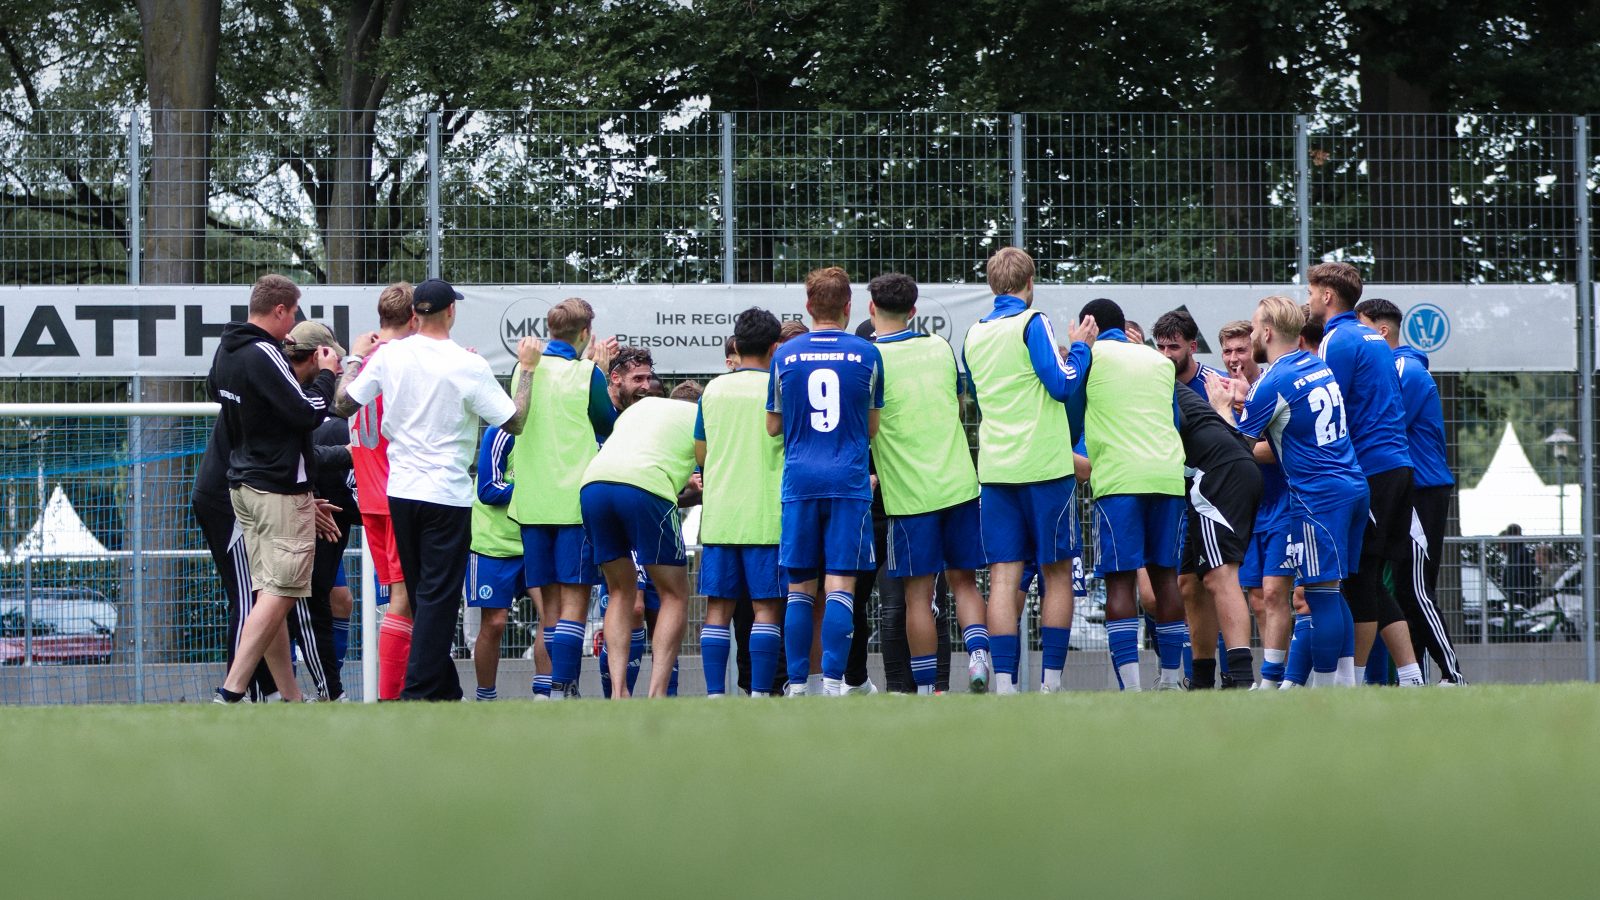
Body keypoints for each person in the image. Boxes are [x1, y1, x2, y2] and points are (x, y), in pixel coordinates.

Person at [336, 277, 540, 701]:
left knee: (422, 596)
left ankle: (445, 689)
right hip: (446, 493)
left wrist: (353, 358)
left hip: (400, 491)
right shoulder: (468, 364)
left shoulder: (389, 355)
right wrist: (528, 370)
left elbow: (344, 403)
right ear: (451, 311)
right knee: (437, 598)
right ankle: (418, 690)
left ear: (414, 314)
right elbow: (516, 420)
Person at [1208, 296, 1369, 688]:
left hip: (1318, 498)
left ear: (1266, 332)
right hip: (1353, 486)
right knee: (1334, 590)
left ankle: (1326, 690)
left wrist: (1222, 408)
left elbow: (1238, 449)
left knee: (1321, 596)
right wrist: (1247, 403)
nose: (1250, 333)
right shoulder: (1316, 364)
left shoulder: (1273, 381)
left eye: (1253, 327)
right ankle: (1346, 685)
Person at [963, 248, 1095, 694]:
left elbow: (978, 396)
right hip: (1044, 467)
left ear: (992, 284)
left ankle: (1004, 685)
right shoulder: (1033, 321)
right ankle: (1050, 684)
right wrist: (1082, 349)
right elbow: (1062, 384)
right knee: (1056, 573)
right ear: (1030, 282)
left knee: (1002, 577)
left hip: (996, 470)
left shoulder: (973, 333)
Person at [210, 275, 339, 703]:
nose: (293, 323)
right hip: (277, 491)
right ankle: (231, 691)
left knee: (270, 595)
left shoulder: (228, 348)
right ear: (280, 310)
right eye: (294, 313)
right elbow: (307, 412)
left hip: (245, 487)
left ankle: (291, 698)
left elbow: (215, 390)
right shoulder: (264, 351)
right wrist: (326, 376)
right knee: (280, 593)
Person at [867, 273, 987, 695]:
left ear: (871, 309)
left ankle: (924, 691)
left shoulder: (870, 358)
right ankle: (978, 654)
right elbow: (957, 402)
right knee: (965, 583)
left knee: (918, 599)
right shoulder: (939, 346)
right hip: (959, 486)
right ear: (914, 311)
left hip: (909, 497)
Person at [768, 267, 884, 696]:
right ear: (849, 307)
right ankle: (834, 684)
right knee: (840, 584)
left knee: (800, 589)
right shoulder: (868, 354)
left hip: (800, 482)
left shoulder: (784, 356)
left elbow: (772, 426)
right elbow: (872, 428)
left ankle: (798, 686)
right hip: (848, 482)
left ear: (808, 306)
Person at [1308, 262, 1425, 686]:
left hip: (1371, 470)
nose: (1308, 299)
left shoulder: (1336, 339)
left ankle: (1351, 682)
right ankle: (1410, 675)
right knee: (1372, 579)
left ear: (1327, 296)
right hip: (1398, 467)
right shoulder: (1373, 337)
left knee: (1357, 580)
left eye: (1311, 292)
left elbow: (1326, 406)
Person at [506, 298, 616, 699]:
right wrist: (599, 371)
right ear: (585, 334)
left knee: (550, 606)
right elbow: (607, 426)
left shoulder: (523, 368)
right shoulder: (588, 374)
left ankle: (550, 689)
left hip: (532, 504)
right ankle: (564, 686)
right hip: (573, 503)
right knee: (575, 600)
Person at [1076, 298, 1187, 691]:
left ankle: (1132, 689)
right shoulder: (1159, 361)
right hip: (1167, 478)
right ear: (1124, 326)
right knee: (1166, 578)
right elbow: (1174, 421)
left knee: (1120, 582)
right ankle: (1171, 680)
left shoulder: (1087, 357)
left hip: (1120, 482)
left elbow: (1069, 415)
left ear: (1088, 325)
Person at [1355, 297, 1465, 684]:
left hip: (1421, 491)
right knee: (1403, 588)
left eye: (1362, 327)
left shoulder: (1403, 369)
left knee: (1415, 588)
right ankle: (1412, 677)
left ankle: (1452, 675)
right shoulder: (1396, 368)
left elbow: (1385, 423)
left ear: (1382, 330)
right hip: (1410, 489)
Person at [580, 382, 703, 698]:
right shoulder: (701, 416)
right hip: (645, 487)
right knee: (674, 594)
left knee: (620, 591)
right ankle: (657, 693)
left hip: (593, 485)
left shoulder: (640, 409)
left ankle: (618, 693)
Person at [696, 308, 787, 696]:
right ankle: (761, 695)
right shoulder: (780, 386)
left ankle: (716, 696)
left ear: (737, 344)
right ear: (774, 348)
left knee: (718, 609)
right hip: (767, 515)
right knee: (767, 608)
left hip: (720, 516)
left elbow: (700, 453)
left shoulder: (713, 390)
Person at [346, 282, 419, 700]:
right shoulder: (402, 363)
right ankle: (392, 697)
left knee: (404, 597)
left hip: (370, 496)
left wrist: (353, 357)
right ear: (414, 318)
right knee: (403, 598)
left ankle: (419, 686)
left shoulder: (361, 364)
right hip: (398, 494)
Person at [1153, 308, 1229, 686]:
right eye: (1161, 347)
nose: (1166, 355)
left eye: (1174, 347)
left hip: (1216, 496)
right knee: (1184, 587)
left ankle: (1235, 674)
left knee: (1222, 583)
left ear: (1193, 347)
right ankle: (1197, 678)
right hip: (1174, 497)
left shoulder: (1215, 385)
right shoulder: (1152, 382)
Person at [1172, 375, 1262, 689]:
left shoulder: (1144, 376)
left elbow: (1179, 423)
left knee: (1219, 574)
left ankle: (1242, 679)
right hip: (1216, 473)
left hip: (1216, 474)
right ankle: (1201, 682)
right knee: (1190, 582)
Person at [1218, 319, 1295, 689]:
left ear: (1255, 349)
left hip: (1283, 505)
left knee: (1279, 594)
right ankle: (1272, 677)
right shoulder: (1220, 391)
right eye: (1228, 351)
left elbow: (1274, 450)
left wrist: (1237, 442)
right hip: (1246, 512)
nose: (1235, 358)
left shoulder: (1270, 384)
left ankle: (1281, 677)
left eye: (1241, 349)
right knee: (1258, 599)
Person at [466, 424, 522, 701]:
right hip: (493, 544)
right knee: (495, 622)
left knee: (552, 616)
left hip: (536, 540)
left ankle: (548, 693)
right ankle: (485, 697)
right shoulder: (502, 432)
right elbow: (488, 489)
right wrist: (538, 489)